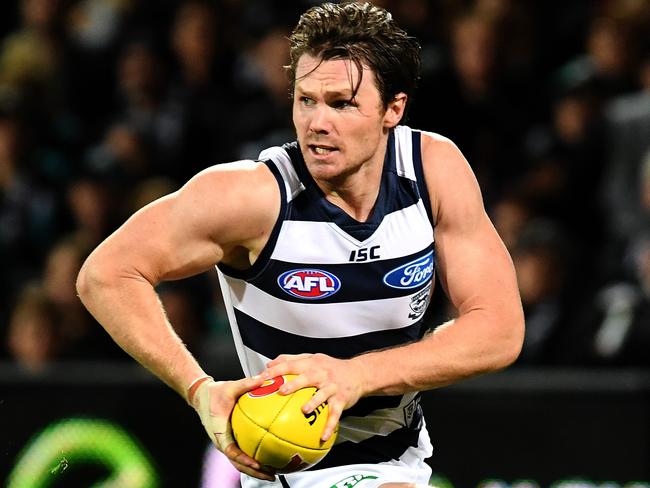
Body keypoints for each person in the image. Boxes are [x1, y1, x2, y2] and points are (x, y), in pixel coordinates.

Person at [76, 3, 524, 488]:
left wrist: (355, 376)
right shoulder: (252, 199)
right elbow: (105, 275)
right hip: (293, 467)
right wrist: (199, 390)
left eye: (341, 103)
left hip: (403, 456)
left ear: (393, 109)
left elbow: (498, 329)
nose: (317, 122)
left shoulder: (432, 170)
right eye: (306, 100)